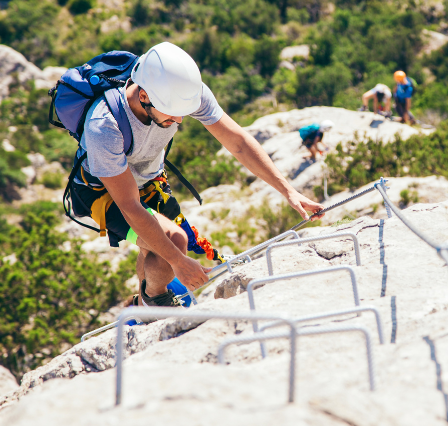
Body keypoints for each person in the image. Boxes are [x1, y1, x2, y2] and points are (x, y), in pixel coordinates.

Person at [72, 42, 324, 307]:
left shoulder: (182, 95)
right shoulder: (104, 125)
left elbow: (237, 142)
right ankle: (154, 300)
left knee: (155, 244)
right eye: (172, 115)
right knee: (173, 239)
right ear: (143, 95)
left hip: (148, 180)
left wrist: (289, 191)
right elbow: (130, 205)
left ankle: (142, 302)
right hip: (103, 191)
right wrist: (179, 263)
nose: (179, 121)